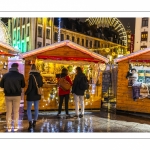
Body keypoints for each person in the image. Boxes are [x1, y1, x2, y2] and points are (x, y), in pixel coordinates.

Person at [0, 63, 25, 132]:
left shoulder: (5, 75)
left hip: (8, 95)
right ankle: (16, 126)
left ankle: (9, 127)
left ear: (10, 67)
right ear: (17, 67)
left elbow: (1, 85)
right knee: (16, 112)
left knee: (8, 112)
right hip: (17, 95)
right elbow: (23, 85)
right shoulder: (20, 75)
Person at [25, 64, 43, 131]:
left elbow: (30, 87)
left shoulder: (31, 76)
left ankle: (30, 123)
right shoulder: (40, 76)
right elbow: (41, 84)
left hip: (30, 95)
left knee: (29, 109)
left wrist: (26, 92)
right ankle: (35, 122)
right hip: (37, 94)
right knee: (36, 108)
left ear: (31, 68)